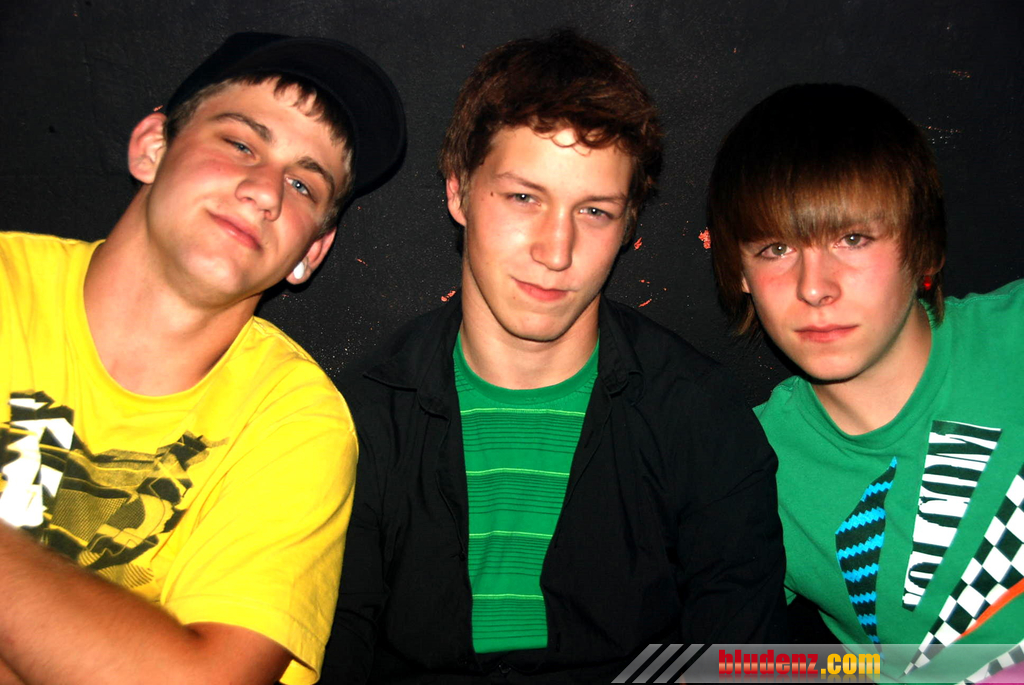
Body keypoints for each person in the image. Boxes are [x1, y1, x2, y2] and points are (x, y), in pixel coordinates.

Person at [323, 30, 786, 683]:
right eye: (524, 197)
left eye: (594, 211)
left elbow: (741, 664)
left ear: (628, 227)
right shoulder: (363, 415)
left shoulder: (699, 415)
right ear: (458, 192)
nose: (556, 249)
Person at [0, 32, 405, 685]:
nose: (266, 191)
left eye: (304, 184)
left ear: (312, 251)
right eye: (241, 144)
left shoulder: (296, 423)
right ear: (153, 148)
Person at [707, 83, 1024, 683]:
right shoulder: (747, 470)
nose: (814, 287)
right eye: (776, 248)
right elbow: (708, 660)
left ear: (921, 246)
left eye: (852, 239)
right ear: (739, 273)